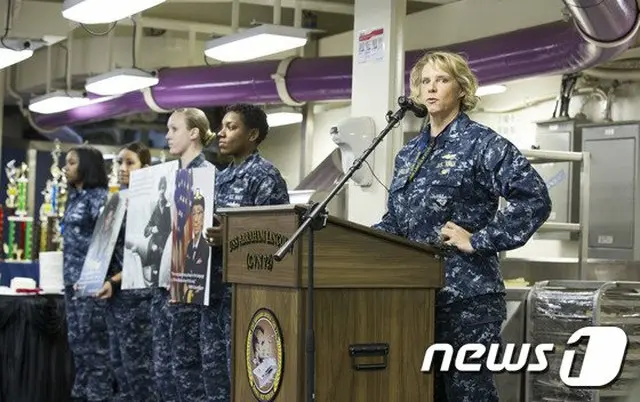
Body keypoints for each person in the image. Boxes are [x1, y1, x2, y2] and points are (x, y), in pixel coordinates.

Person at [372, 51, 552, 401]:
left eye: (441, 80)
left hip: (468, 299)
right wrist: (352, 240)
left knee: (469, 395)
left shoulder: (482, 144)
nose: (431, 88)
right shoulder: (409, 154)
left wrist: (481, 239)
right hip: (415, 297)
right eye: (425, 81)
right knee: (423, 392)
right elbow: (396, 220)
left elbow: (535, 199)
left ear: (461, 88)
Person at [204, 103, 290, 401]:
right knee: (214, 379)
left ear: (252, 134)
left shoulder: (265, 177)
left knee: (245, 379)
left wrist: (230, 237)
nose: (221, 133)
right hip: (213, 294)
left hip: (246, 299)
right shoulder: (218, 178)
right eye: (222, 126)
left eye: (231, 127)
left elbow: (278, 239)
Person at [95, 142, 157, 401]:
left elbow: (145, 256)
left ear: (145, 167)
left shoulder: (150, 203)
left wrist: (113, 281)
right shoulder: (116, 200)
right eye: (119, 162)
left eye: (130, 162)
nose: (122, 168)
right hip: (114, 298)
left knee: (139, 370)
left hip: (137, 298)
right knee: (118, 366)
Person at [166, 107, 217, 402]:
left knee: (192, 375)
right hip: (171, 288)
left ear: (194, 132)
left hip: (194, 292)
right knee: (173, 374)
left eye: (174, 129)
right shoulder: (174, 177)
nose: (167, 135)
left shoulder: (208, 177)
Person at [62, 145, 114, 401]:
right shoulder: (75, 196)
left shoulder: (99, 198)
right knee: (78, 345)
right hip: (71, 282)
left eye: (71, 163)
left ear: (86, 166)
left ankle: (98, 395)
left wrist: (97, 278)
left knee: (95, 350)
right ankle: (80, 394)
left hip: (90, 283)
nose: (66, 167)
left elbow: (107, 240)